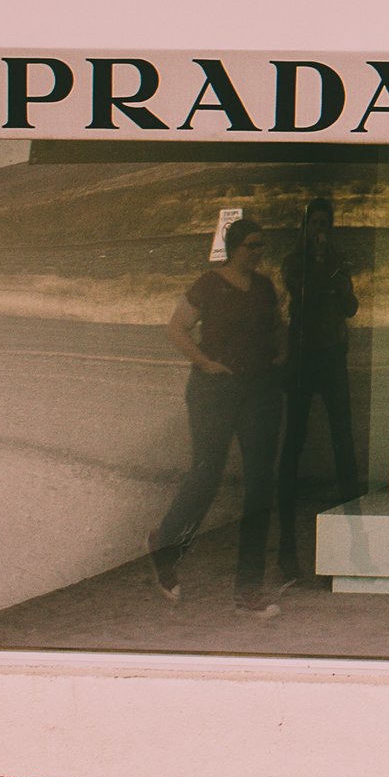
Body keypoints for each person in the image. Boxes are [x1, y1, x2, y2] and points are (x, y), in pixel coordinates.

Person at [150, 215, 285, 617]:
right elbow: (176, 329)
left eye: (262, 246)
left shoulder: (264, 287)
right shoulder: (209, 284)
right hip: (214, 391)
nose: (259, 253)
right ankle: (165, 547)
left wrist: (279, 358)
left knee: (261, 485)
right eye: (252, 246)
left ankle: (248, 591)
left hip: (258, 392)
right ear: (235, 248)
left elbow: (278, 329)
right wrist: (206, 364)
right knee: (207, 475)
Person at [275, 196, 363, 585]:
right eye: (315, 225)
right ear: (305, 228)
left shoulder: (336, 259)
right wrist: (327, 272)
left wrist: (333, 273)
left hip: (331, 357)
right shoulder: (295, 261)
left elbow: (350, 306)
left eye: (326, 224)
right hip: (301, 360)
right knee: (292, 447)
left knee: (344, 443)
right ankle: (286, 552)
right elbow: (303, 293)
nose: (320, 231)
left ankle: (355, 544)